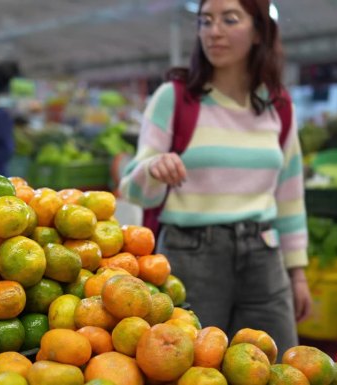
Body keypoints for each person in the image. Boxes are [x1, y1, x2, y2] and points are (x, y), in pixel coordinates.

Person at [119, 0, 311, 358]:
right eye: (206, 21)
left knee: (279, 366)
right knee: (188, 367)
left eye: (229, 19)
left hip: (264, 257)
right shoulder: (174, 99)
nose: (214, 31)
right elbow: (131, 186)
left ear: (258, 32)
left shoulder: (279, 107)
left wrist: (297, 273)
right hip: (190, 257)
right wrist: (154, 168)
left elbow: (290, 194)